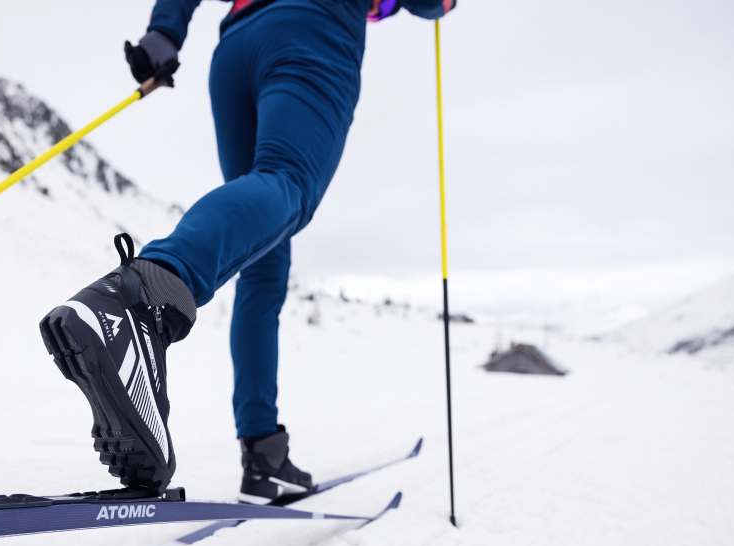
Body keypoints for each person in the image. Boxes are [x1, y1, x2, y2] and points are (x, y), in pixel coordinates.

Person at [39, 0, 454, 504]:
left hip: (236, 49)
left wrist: (165, 33)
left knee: (265, 255)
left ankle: (265, 455)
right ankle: (145, 293)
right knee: (289, 183)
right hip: (314, 29)